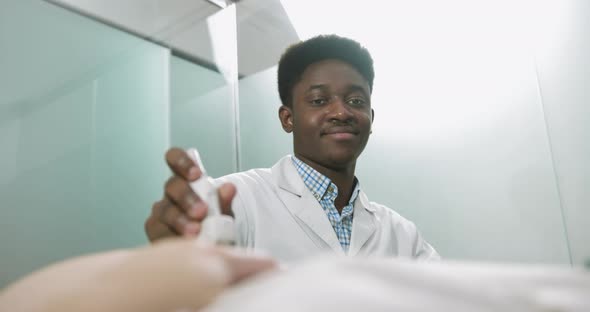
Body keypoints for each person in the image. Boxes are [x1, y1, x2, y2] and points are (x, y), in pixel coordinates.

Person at [145, 34, 439, 262]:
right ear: (288, 118)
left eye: (356, 101)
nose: (341, 112)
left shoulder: (403, 235)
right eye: (319, 100)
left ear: (371, 119)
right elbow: (191, 281)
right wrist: (176, 248)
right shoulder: (236, 202)